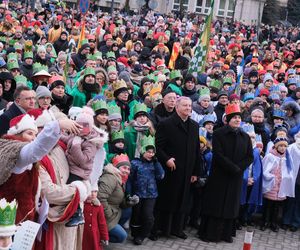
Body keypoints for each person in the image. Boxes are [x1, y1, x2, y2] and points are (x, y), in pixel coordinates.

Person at [198, 103, 253, 243]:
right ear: (228, 119)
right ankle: (210, 234)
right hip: (220, 176)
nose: (237, 120)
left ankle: (226, 234)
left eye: (239, 118)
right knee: (216, 205)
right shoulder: (218, 133)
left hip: (236, 177)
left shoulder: (245, 137)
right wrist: (233, 168)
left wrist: (238, 168)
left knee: (230, 206)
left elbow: (249, 156)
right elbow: (219, 155)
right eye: (234, 117)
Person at [152, 96, 201, 240]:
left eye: (190, 106)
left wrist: (196, 172)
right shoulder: (166, 124)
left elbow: (197, 150)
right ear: (177, 107)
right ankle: (159, 229)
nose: (188, 108)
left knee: (182, 201)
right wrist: (166, 159)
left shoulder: (194, 125)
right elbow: (158, 146)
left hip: (187, 171)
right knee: (166, 200)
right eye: (185, 105)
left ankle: (177, 229)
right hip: (171, 170)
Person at [61, 106, 107, 227]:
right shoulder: (78, 135)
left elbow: (83, 161)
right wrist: (57, 135)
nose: (82, 128)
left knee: (72, 187)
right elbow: (67, 139)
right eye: (79, 124)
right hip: (73, 166)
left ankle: (77, 214)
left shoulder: (92, 142)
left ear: (91, 126)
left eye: (85, 125)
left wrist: (76, 146)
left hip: (80, 171)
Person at [129, 135, 165, 245]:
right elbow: (130, 180)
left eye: (152, 152)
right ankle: (135, 234)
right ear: (143, 151)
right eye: (148, 152)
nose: (151, 154)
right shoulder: (135, 163)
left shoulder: (155, 164)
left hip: (151, 195)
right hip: (138, 194)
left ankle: (142, 235)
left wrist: (157, 163)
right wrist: (129, 194)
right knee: (136, 215)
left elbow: (161, 176)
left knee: (148, 216)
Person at [98, 154, 139, 243]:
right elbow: (100, 197)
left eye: (128, 169)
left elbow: (119, 201)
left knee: (128, 210)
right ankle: (99, 237)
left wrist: (129, 202)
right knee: (122, 236)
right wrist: (109, 214)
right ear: (117, 168)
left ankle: (106, 233)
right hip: (105, 215)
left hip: (113, 210)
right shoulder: (110, 178)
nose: (127, 171)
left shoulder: (120, 179)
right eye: (124, 168)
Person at [261, 137, 295, 232]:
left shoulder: (287, 157)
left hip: (281, 186)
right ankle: (265, 222)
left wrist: (286, 178)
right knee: (268, 205)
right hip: (272, 185)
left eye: (285, 146)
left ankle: (274, 223)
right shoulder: (270, 156)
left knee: (277, 206)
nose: (283, 148)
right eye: (280, 146)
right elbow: (265, 170)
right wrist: (271, 177)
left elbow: (290, 171)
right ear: (276, 146)